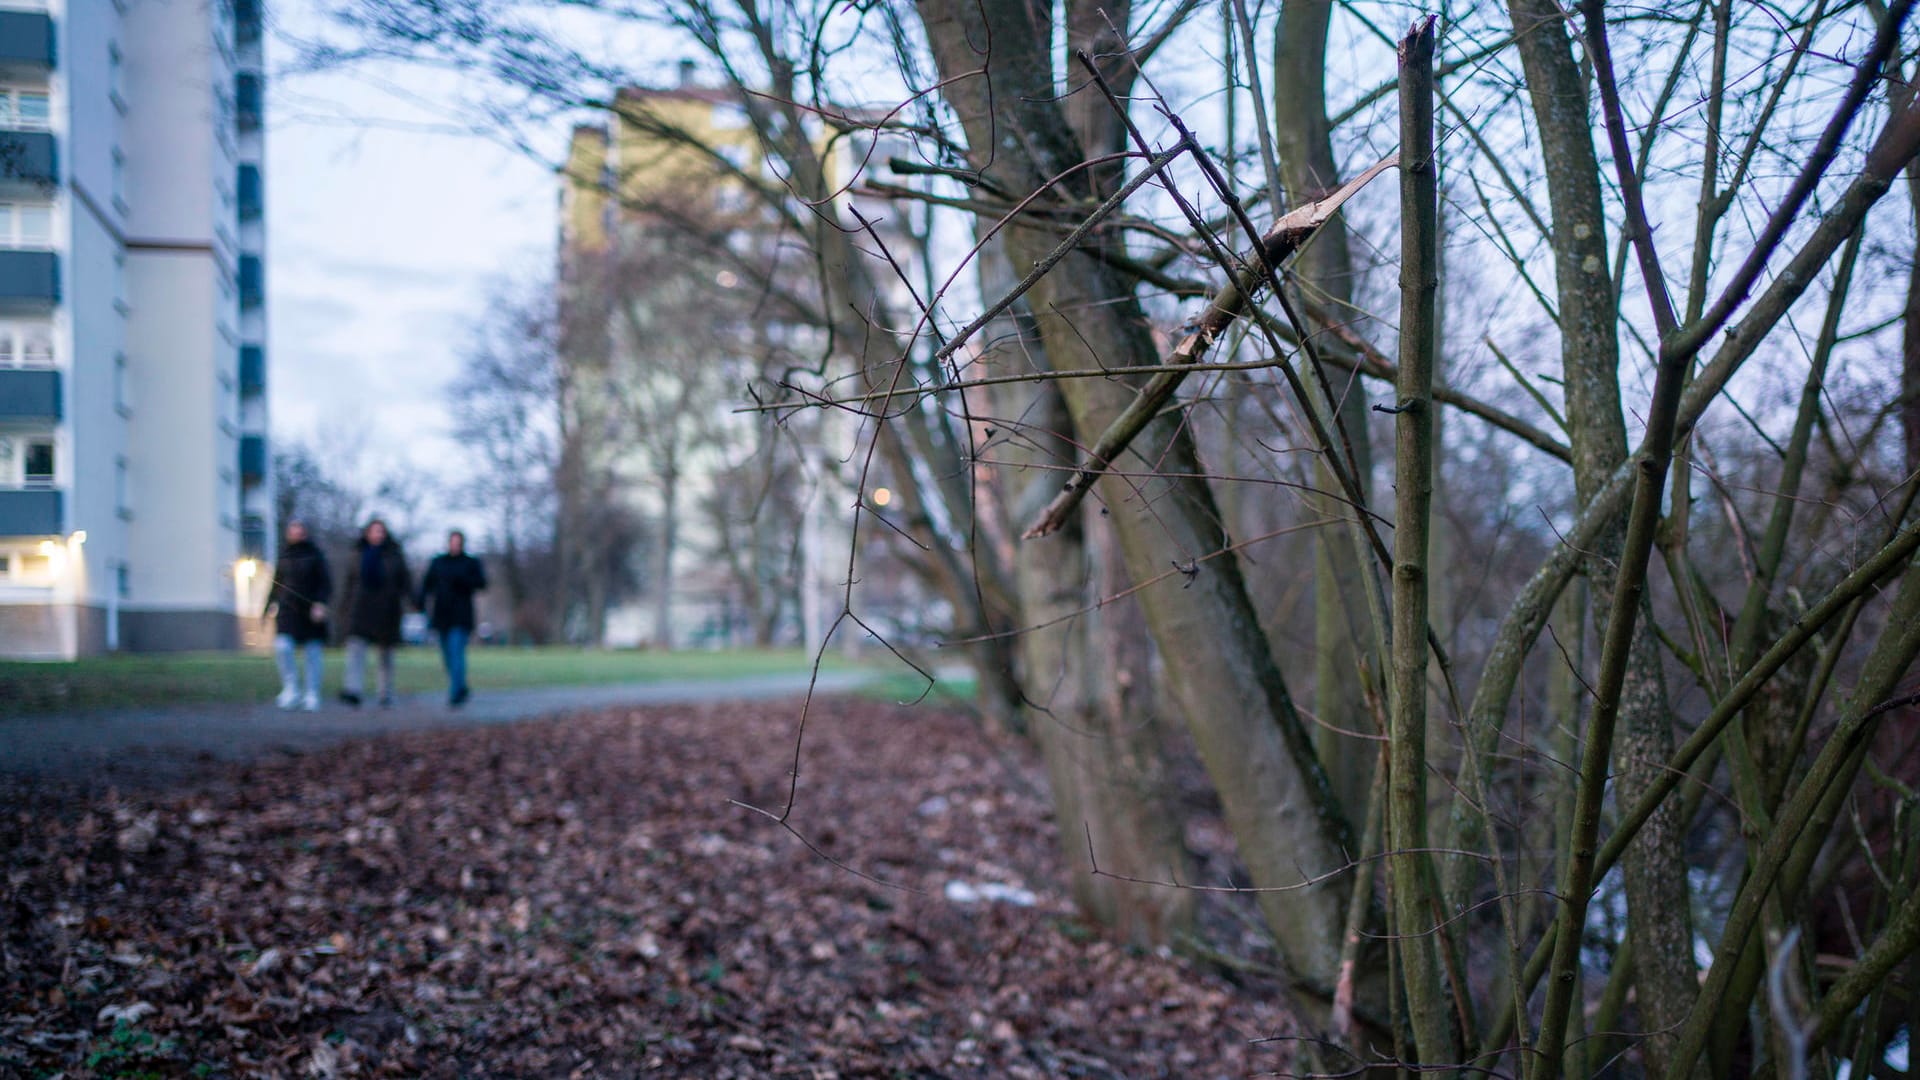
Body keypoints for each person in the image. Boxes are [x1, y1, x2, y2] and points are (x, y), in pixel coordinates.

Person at [337, 517, 412, 707]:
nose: (377, 534)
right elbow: (349, 583)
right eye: (373, 531)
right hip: (360, 608)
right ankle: (353, 689)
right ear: (367, 533)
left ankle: (385, 693)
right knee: (355, 649)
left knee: (385, 654)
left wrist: (412, 601)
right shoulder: (358, 554)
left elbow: (405, 581)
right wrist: (343, 608)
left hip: (387, 609)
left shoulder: (394, 555)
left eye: (380, 531)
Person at [263, 519, 331, 711]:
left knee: (313, 654)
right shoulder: (284, 555)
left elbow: (326, 583)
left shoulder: (316, 555)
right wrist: (267, 607)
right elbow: (276, 583)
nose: (296, 534)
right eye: (292, 530)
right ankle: (291, 688)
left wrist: (320, 603)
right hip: (287, 611)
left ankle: (312, 693)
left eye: (299, 530)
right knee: (283, 647)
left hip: (310, 611)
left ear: (305, 533)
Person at [418, 529, 487, 706]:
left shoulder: (470, 562)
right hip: (442, 615)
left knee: (457, 652)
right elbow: (427, 585)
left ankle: (455, 693)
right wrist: (420, 601)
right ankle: (461, 686)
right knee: (447, 656)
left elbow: (481, 583)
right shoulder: (438, 562)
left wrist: (463, 580)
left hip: (461, 615)